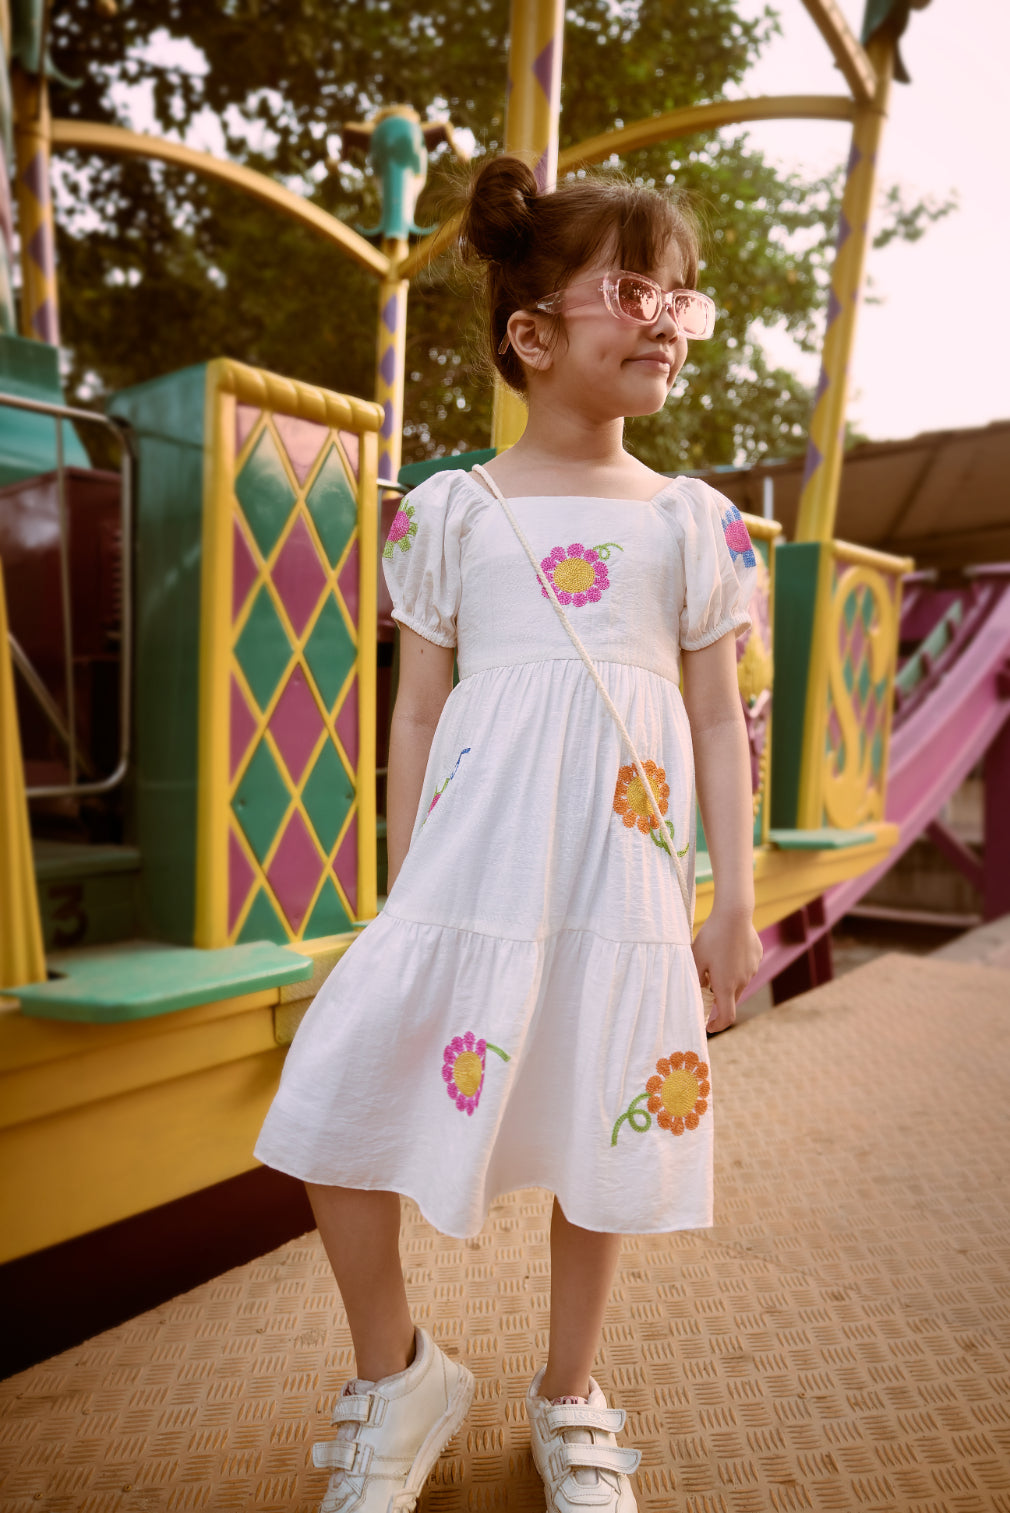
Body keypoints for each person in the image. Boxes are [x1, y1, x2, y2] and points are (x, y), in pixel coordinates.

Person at [255, 154, 763, 1513]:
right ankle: (398, 1372)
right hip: (465, 875)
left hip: (622, 883)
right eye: (636, 293)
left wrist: (729, 899)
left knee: (605, 1116)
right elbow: (417, 710)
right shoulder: (451, 512)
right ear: (531, 336)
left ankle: (569, 1391)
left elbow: (717, 721)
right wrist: (405, 880)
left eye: (684, 301)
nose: (669, 322)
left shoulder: (693, 521)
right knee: (332, 1087)